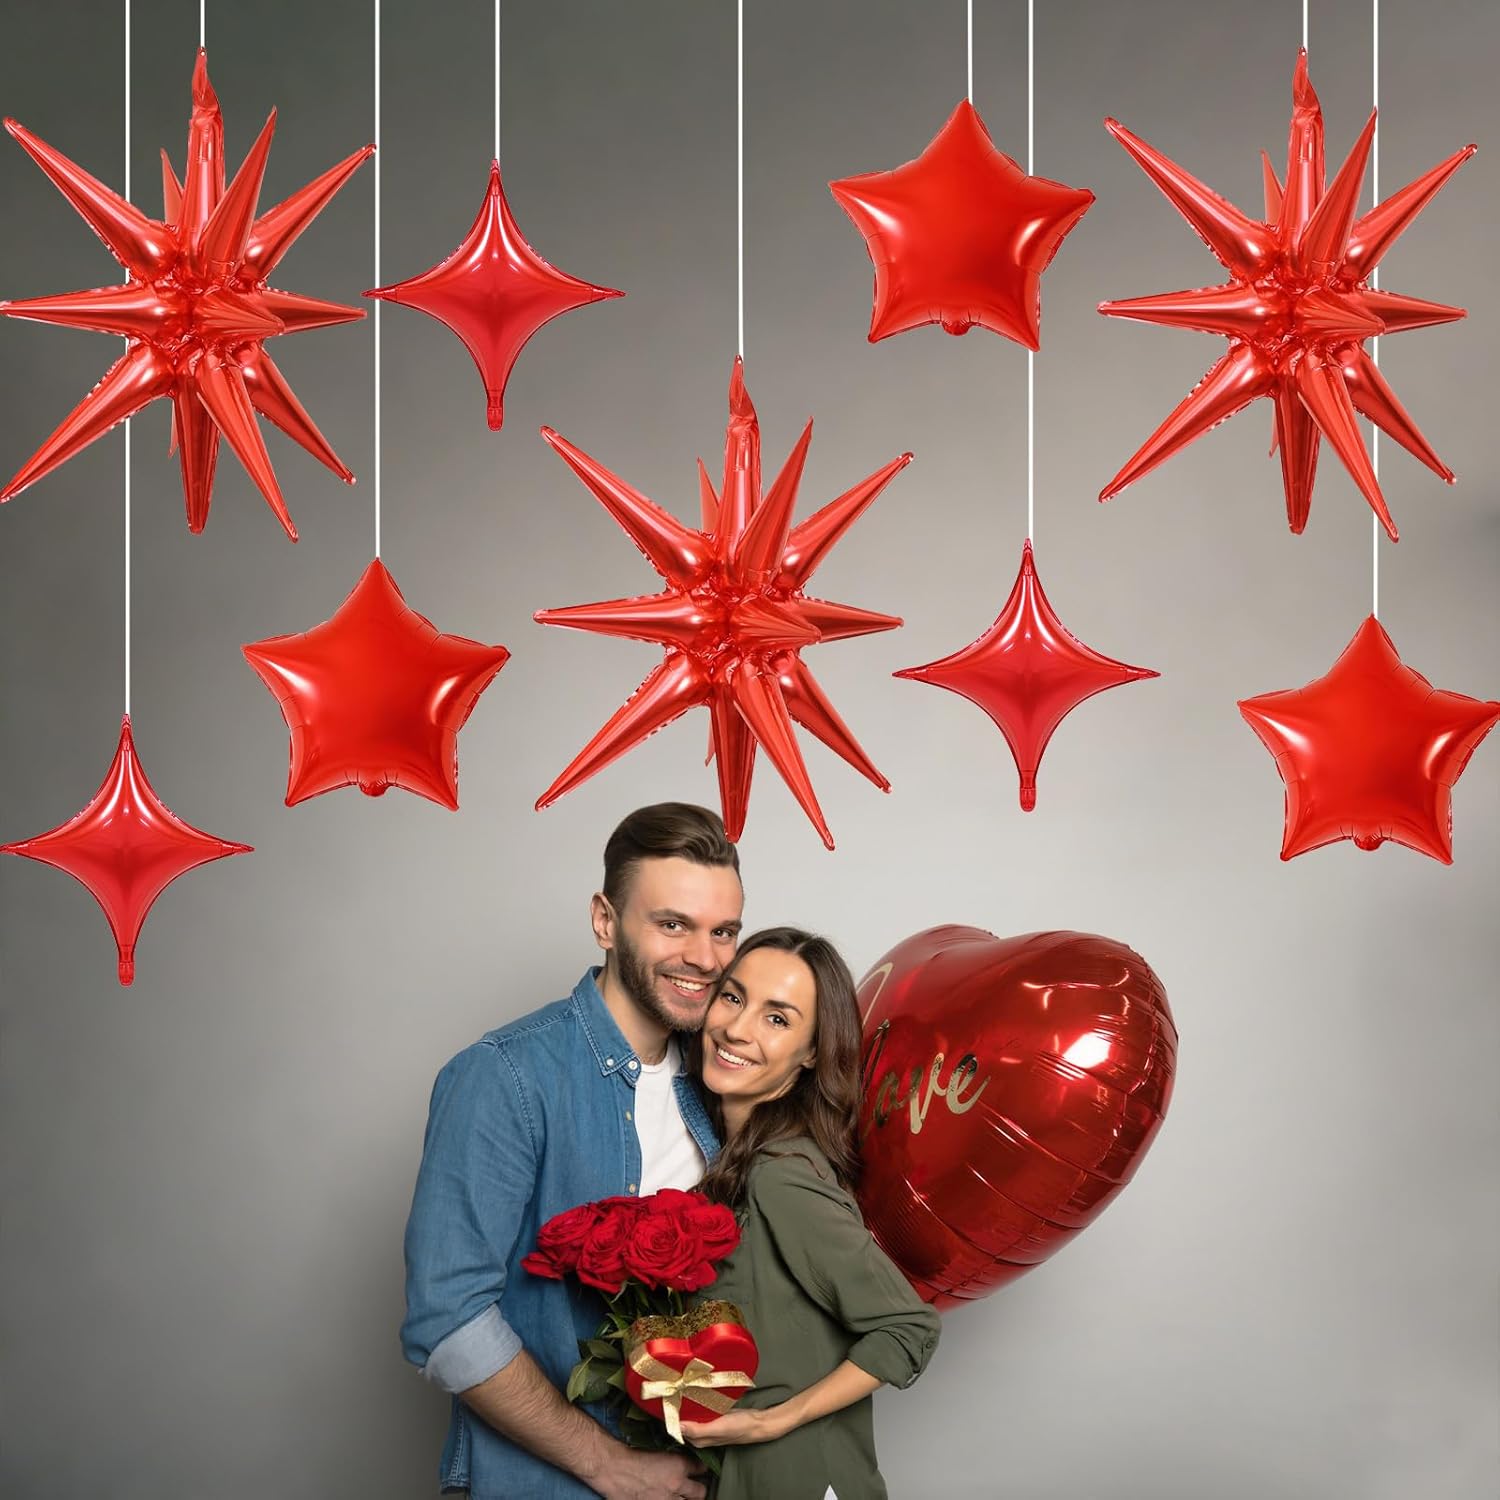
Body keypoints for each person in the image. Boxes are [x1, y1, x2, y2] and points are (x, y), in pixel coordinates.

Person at [401, 803, 745, 1500]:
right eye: (672, 924)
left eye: (724, 931)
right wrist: (609, 1464)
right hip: (543, 1485)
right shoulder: (505, 1076)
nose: (705, 959)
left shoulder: (723, 1081)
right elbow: (448, 1319)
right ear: (605, 921)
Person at [677, 927, 941, 1500]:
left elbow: (908, 1328)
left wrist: (773, 1421)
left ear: (813, 1052)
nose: (737, 1029)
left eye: (777, 1019)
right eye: (733, 997)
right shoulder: (731, 1160)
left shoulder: (781, 1173)